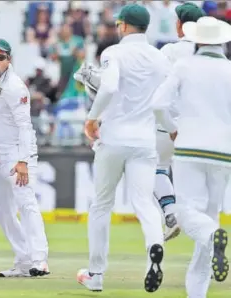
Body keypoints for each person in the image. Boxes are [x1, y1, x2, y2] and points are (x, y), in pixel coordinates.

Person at [76, 4, 170, 293]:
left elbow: (109, 88)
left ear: (125, 25)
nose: (116, 28)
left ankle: (96, 275)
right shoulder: (159, 57)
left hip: (114, 137)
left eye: (119, 24)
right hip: (145, 139)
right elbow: (164, 100)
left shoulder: (113, 53)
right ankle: (154, 247)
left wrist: (92, 119)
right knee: (145, 202)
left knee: (102, 204)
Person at [152, 16, 231, 298]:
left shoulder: (185, 66)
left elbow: (159, 104)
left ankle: (213, 237)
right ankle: (196, 294)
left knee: (186, 215)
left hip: (189, 147)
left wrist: (173, 129)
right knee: (208, 216)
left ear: (198, 40)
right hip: (223, 153)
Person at [0, 38, 50, 277]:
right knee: (2, 208)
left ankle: (40, 260)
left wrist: (23, 160)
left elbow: (25, 127)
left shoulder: (15, 87)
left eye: (1, 57)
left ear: (9, 60)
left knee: (26, 202)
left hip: (18, 152)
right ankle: (23, 260)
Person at [155, 2, 206, 242]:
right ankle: (206, 235)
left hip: (167, 126)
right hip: (199, 129)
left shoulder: (169, 51)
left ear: (180, 24)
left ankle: (169, 212)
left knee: (156, 168)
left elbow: (155, 91)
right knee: (198, 194)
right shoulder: (209, 55)